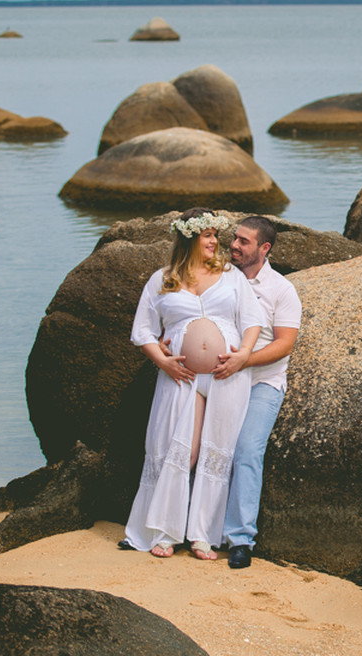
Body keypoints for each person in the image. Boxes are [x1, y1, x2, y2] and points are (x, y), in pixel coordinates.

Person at [120, 208, 265, 560]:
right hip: (179, 378)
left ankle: (202, 535)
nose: (216, 242)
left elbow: (253, 321)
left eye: (217, 235)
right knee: (179, 450)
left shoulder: (231, 276)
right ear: (189, 238)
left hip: (225, 377)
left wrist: (242, 355)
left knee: (216, 452)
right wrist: (163, 361)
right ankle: (165, 531)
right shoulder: (162, 279)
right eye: (208, 235)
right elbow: (142, 331)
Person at [214, 216, 302, 569]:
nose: (234, 245)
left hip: (262, 382)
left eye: (243, 242)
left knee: (247, 450)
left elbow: (285, 345)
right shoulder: (221, 278)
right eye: (234, 238)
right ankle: (197, 529)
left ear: (264, 249)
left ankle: (240, 540)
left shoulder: (282, 290)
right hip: (219, 378)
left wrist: (244, 362)